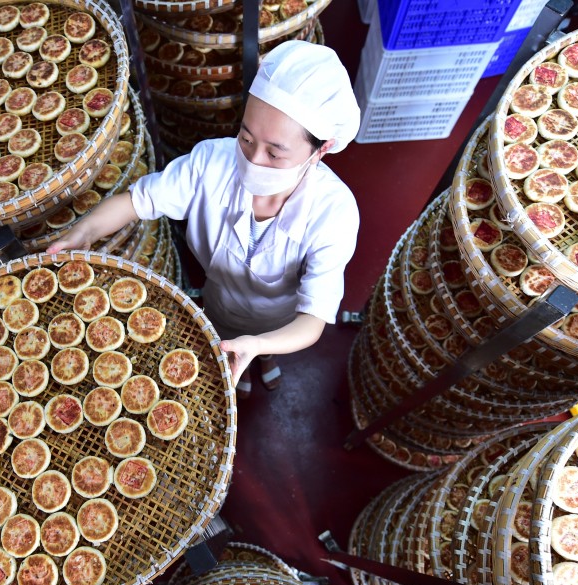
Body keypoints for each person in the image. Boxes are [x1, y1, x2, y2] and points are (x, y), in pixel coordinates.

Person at [47, 40, 361, 398]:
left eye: (275, 154)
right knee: (225, 340)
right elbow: (137, 201)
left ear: (321, 149)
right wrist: (84, 230)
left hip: (280, 318)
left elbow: (312, 320)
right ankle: (246, 357)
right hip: (219, 300)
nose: (254, 159)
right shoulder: (210, 163)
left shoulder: (334, 212)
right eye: (246, 138)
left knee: (261, 347)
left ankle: (264, 358)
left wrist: (257, 345)